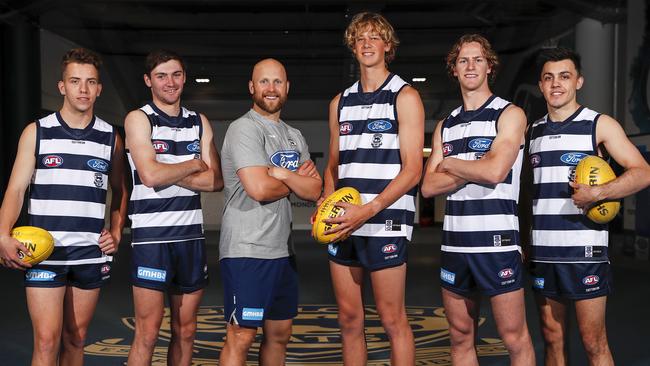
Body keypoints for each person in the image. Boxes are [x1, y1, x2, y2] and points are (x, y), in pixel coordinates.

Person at [0, 48, 127, 365]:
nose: (83, 89)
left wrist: (116, 231)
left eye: (90, 82)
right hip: (45, 252)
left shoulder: (111, 137)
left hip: (89, 252)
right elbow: (16, 190)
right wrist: (2, 235)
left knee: (76, 339)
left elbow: (121, 189)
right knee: (45, 342)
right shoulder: (37, 132)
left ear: (99, 88)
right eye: (75, 81)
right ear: (62, 86)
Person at [528, 47, 650, 366]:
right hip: (543, 252)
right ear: (540, 85)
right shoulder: (533, 131)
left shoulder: (598, 124)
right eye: (549, 78)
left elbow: (643, 172)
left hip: (584, 253)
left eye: (565, 76)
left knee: (593, 341)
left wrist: (598, 194)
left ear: (579, 81)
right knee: (552, 338)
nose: (556, 84)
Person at [420, 34, 535, 365]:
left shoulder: (509, 114)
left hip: (497, 247)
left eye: (477, 59)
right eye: (463, 60)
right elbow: (427, 187)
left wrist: (452, 164)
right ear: (454, 69)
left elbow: (496, 171)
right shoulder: (446, 125)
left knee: (514, 338)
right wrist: (477, 164)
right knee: (459, 337)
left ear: (490, 67)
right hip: (455, 246)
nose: (470, 66)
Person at [321, 12, 423, 365]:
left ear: (387, 46)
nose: (366, 43)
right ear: (352, 46)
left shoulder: (404, 95)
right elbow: (333, 166)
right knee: (349, 320)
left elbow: (413, 170)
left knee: (392, 319)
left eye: (374, 37)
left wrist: (370, 209)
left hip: (385, 220)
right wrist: (326, 203)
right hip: (344, 221)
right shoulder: (340, 102)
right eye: (360, 37)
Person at [218, 58, 322, 366]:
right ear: (252, 87)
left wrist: (282, 175)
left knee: (280, 333)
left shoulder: (294, 135)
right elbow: (259, 189)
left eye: (277, 82)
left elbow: (315, 190)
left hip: (282, 251)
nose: (271, 88)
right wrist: (296, 181)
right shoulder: (243, 129)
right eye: (264, 82)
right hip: (247, 250)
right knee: (242, 335)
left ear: (287, 87)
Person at [125, 49, 223, 366]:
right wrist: (193, 164)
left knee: (187, 331)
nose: (170, 82)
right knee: (148, 332)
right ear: (148, 80)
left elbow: (215, 181)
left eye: (176, 75)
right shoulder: (138, 118)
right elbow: (150, 176)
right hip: (151, 240)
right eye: (161, 76)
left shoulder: (199, 122)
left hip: (191, 239)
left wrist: (166, 170)